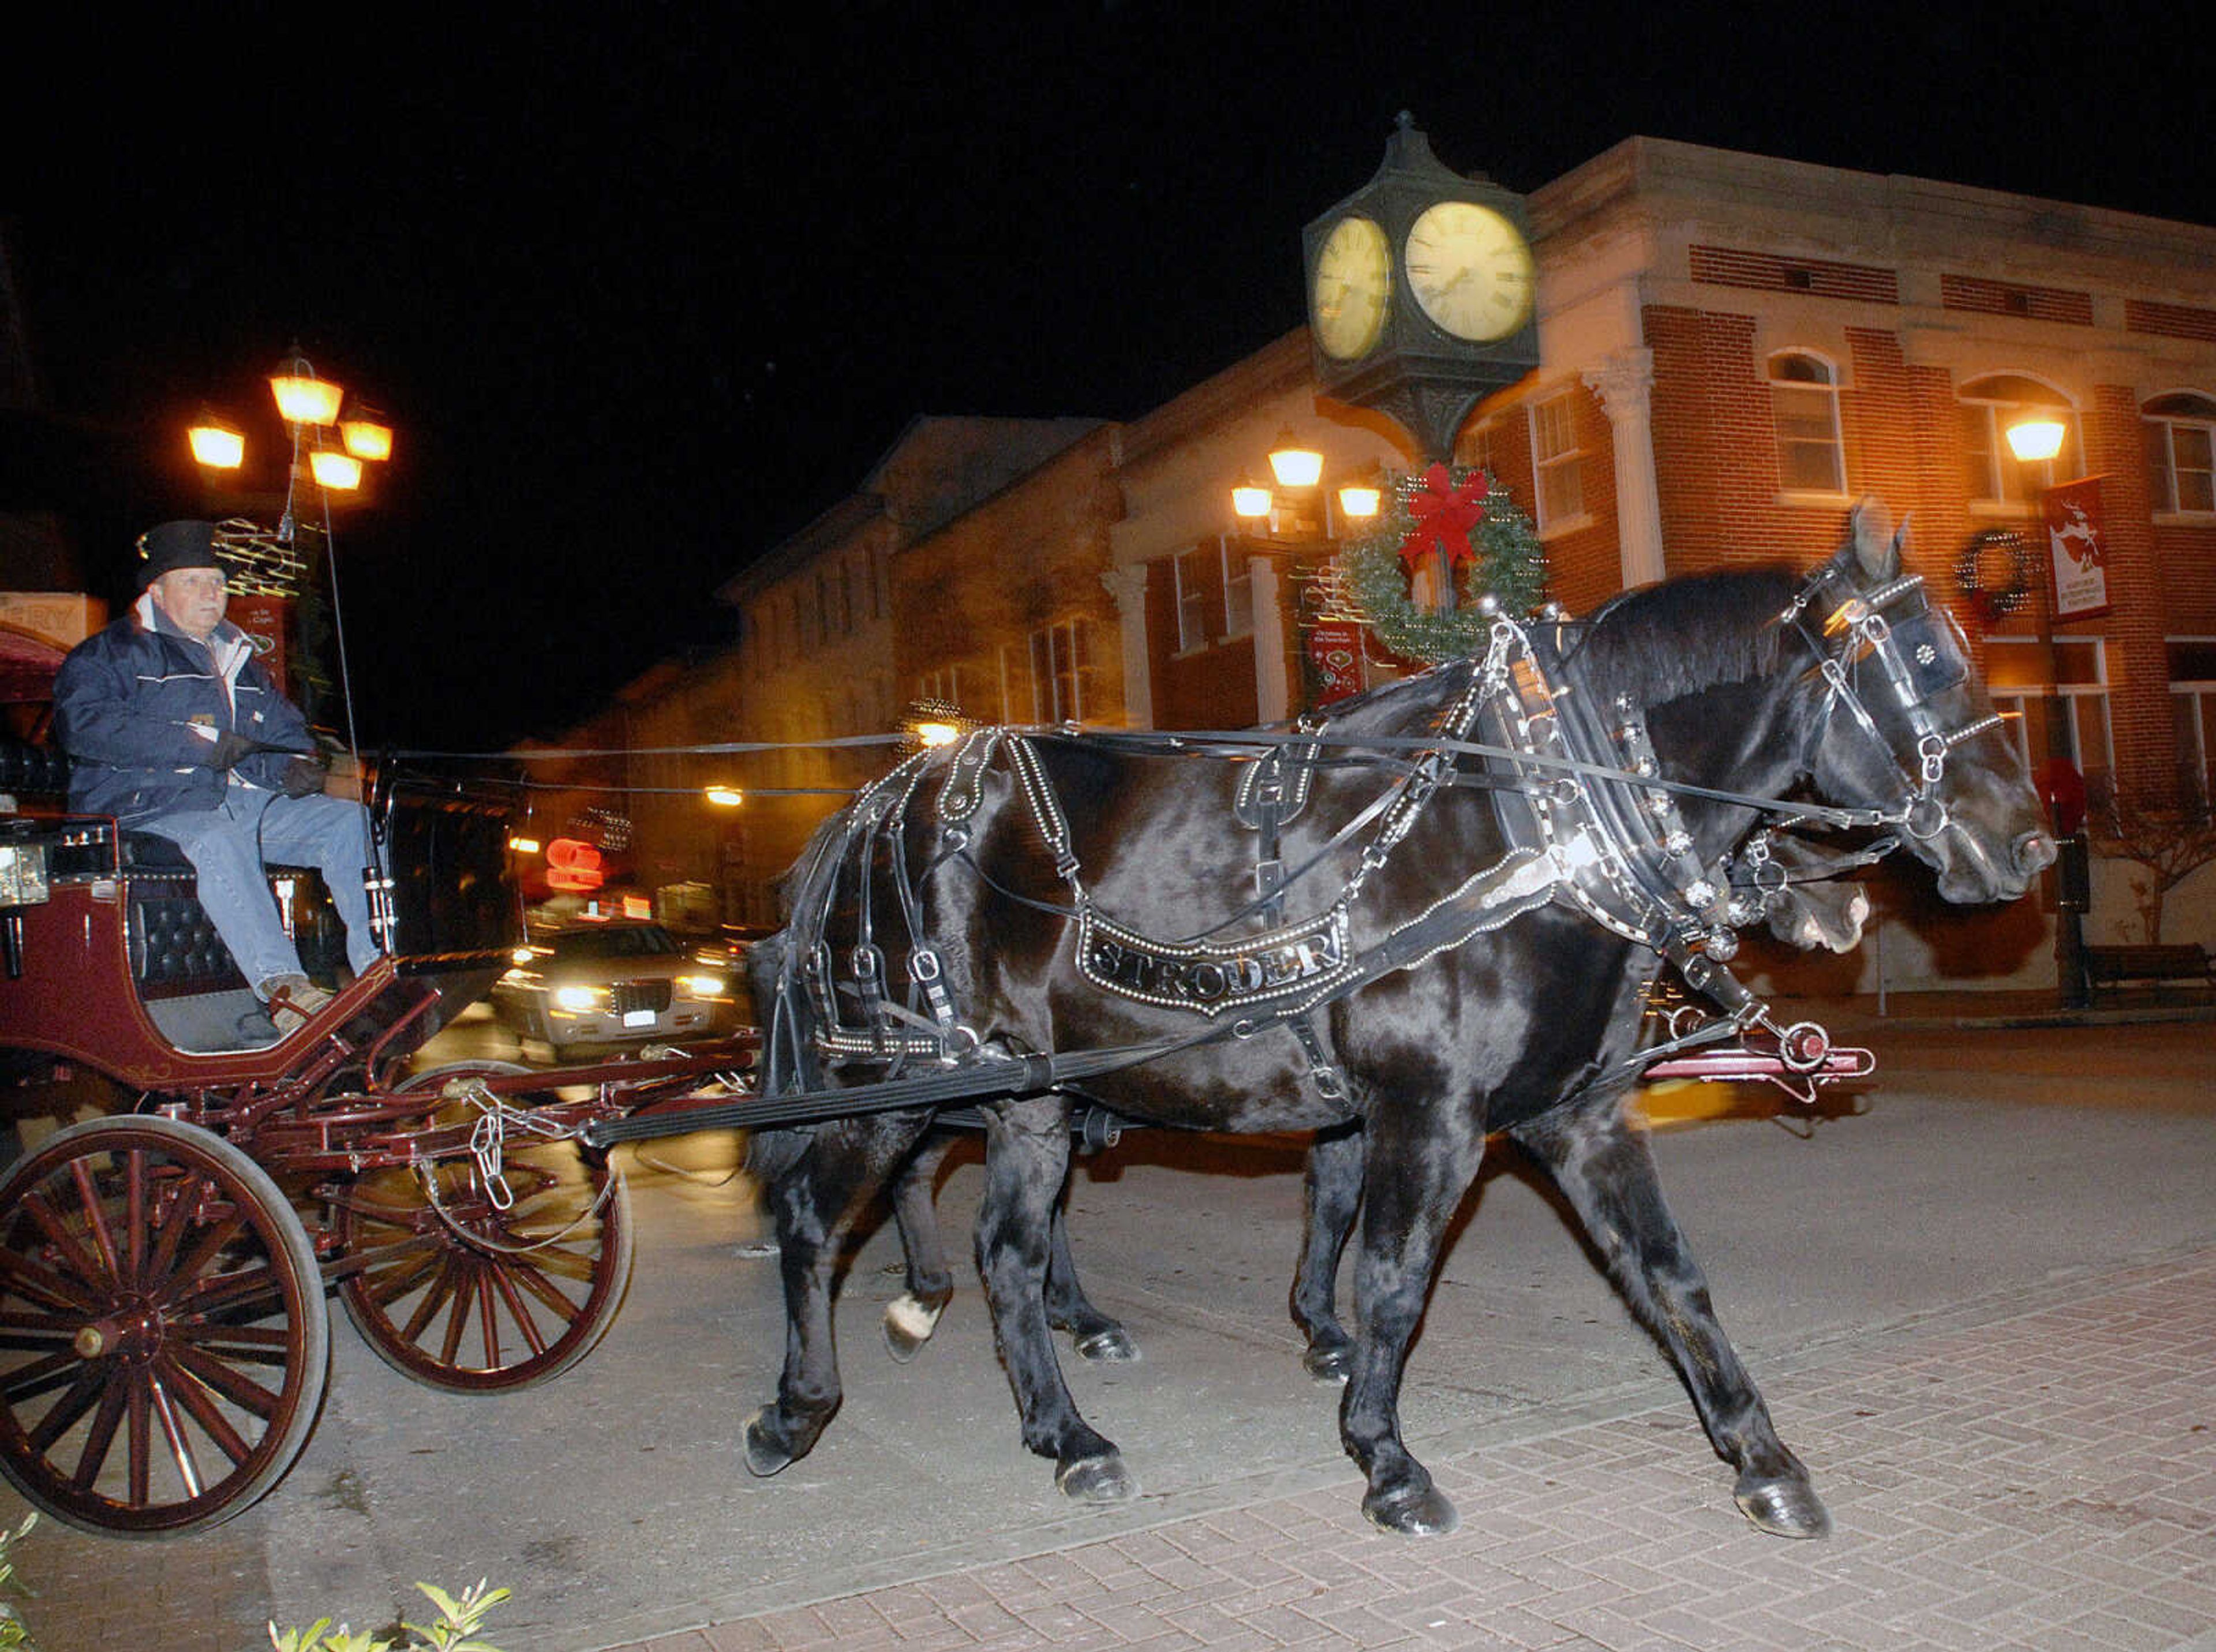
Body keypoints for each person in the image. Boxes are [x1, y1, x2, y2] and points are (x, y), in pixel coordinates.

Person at [53, 520, 381, 1034]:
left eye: (219, 582)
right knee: (218, 833)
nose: (211, 593)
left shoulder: (241, 659)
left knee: (350, 823)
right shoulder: (109, 653)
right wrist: (203, 745)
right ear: (156, 591)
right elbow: (85, 726)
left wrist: (295, 767)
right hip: (148, 807)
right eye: (193, 581)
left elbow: (284, 733)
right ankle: (285, 989)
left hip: (236, 800)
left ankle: (377, 972)